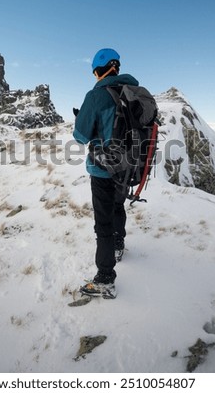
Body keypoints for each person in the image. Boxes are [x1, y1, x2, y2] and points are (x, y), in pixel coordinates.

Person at [73, 48, 140, 298]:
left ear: (99, 69)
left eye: (94, 72)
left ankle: (105, 278)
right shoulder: (133, 92)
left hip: (102, 169)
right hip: (129, 167)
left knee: (103, 223)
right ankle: (119, 244)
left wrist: (85, 121)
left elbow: (80, 135)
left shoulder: (97, 95)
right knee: (118, 206)